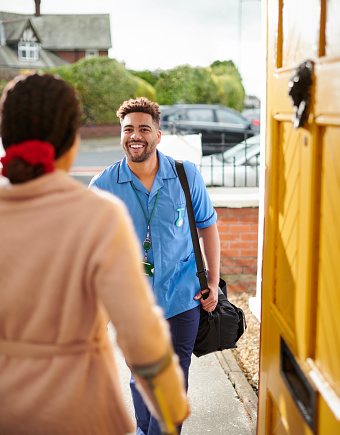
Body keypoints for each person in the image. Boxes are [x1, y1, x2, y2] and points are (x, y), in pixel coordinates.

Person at [0, 74, 189, 435]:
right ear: (72, 141)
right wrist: (171, 405)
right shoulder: (99, 215)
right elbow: (139, 334)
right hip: (81, 414)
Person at [89, 97, 221, 435]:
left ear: (158, 135)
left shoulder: (185, 174)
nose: (136, 135)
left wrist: (213, 282)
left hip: (182, 298)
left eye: (144, 129)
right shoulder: (103, 186)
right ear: (121, 135)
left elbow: (207, 227)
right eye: (128, 129)